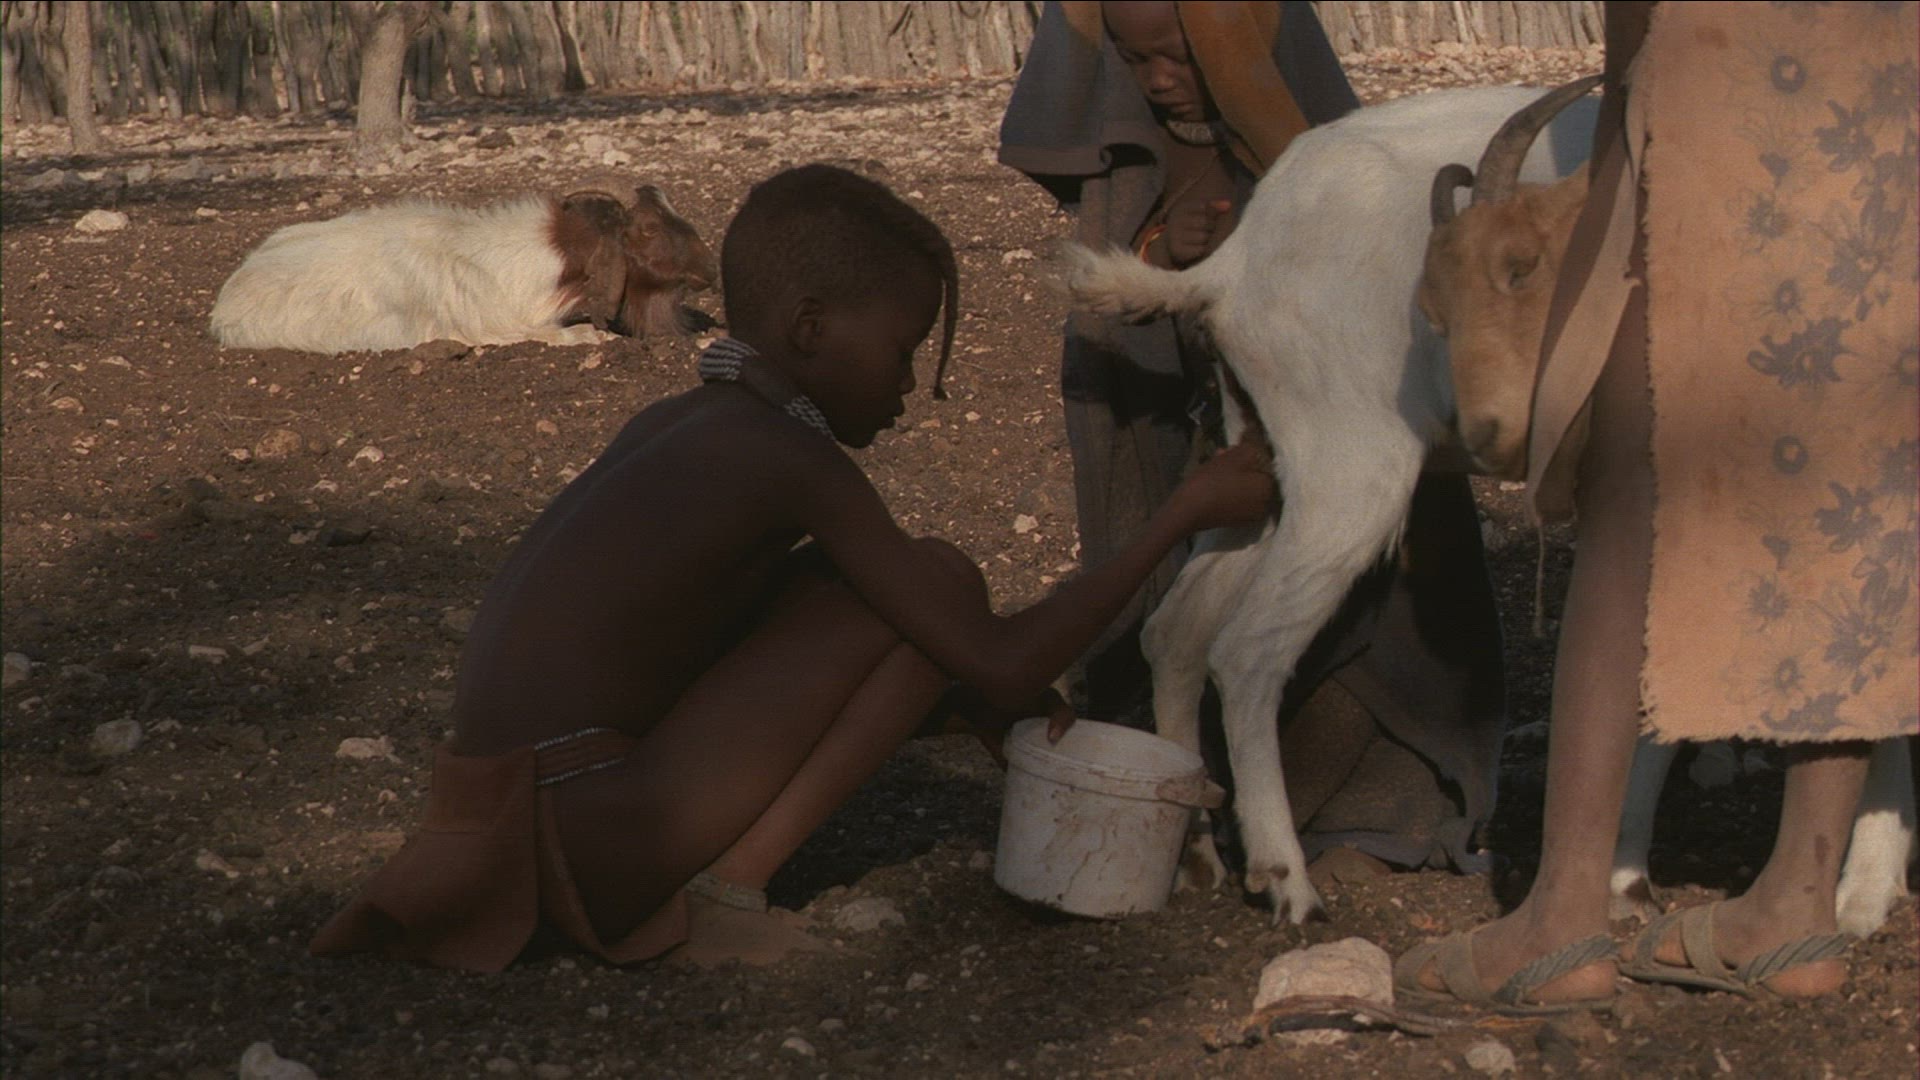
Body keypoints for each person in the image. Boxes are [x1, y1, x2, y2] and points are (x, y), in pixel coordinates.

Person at [308, 163, 1279, 972]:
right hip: (584, 838)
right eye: (903, 351)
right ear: (811, 329)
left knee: (916, 590)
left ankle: (705, 883)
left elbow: (747, 633)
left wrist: (983, 703)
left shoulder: (690, 424)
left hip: (497, 827)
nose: (913, 387)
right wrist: (1181, 513)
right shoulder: (786, 458)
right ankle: (725, 895)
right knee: (937, 585)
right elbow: (1002, 661)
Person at [1395, 0, 1918, 1012]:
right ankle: (1796, 900)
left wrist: (1620, 167)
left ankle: (1563, 917)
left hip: (1720, 88)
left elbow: (1642, 44)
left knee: (1629, 488)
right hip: (1884, 90)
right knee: (1845, 477)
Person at [998, 0, 1510, 875]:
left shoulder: (1341, 168)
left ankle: (1347, 802)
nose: (1161, 81)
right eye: (1137, 62)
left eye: (1182, 56)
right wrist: (1165, 249)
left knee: (1347, 567)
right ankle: (1182, 793)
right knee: (1270, 564)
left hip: (1318, 393)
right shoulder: (1139, 156)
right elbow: (1132, 272)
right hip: (1226, 420)